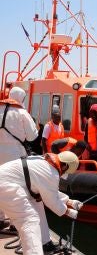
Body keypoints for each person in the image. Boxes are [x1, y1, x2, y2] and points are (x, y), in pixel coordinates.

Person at [0, 151, 82, 255]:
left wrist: (70, 201)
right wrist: (68, 212)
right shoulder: (51, 173)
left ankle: (44, 243)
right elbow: (52, 201)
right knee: (30, 220)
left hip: (8, 182)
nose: (64, 174)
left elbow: (47, 190)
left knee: (37, 204)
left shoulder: (45, 163)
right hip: (5, 186)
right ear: (65, 166)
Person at [0, 86, 38, 230]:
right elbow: (32, 136)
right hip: (15, 154)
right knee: (17, 187)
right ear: (22, 98)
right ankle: (15, 224)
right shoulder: (22, 112)